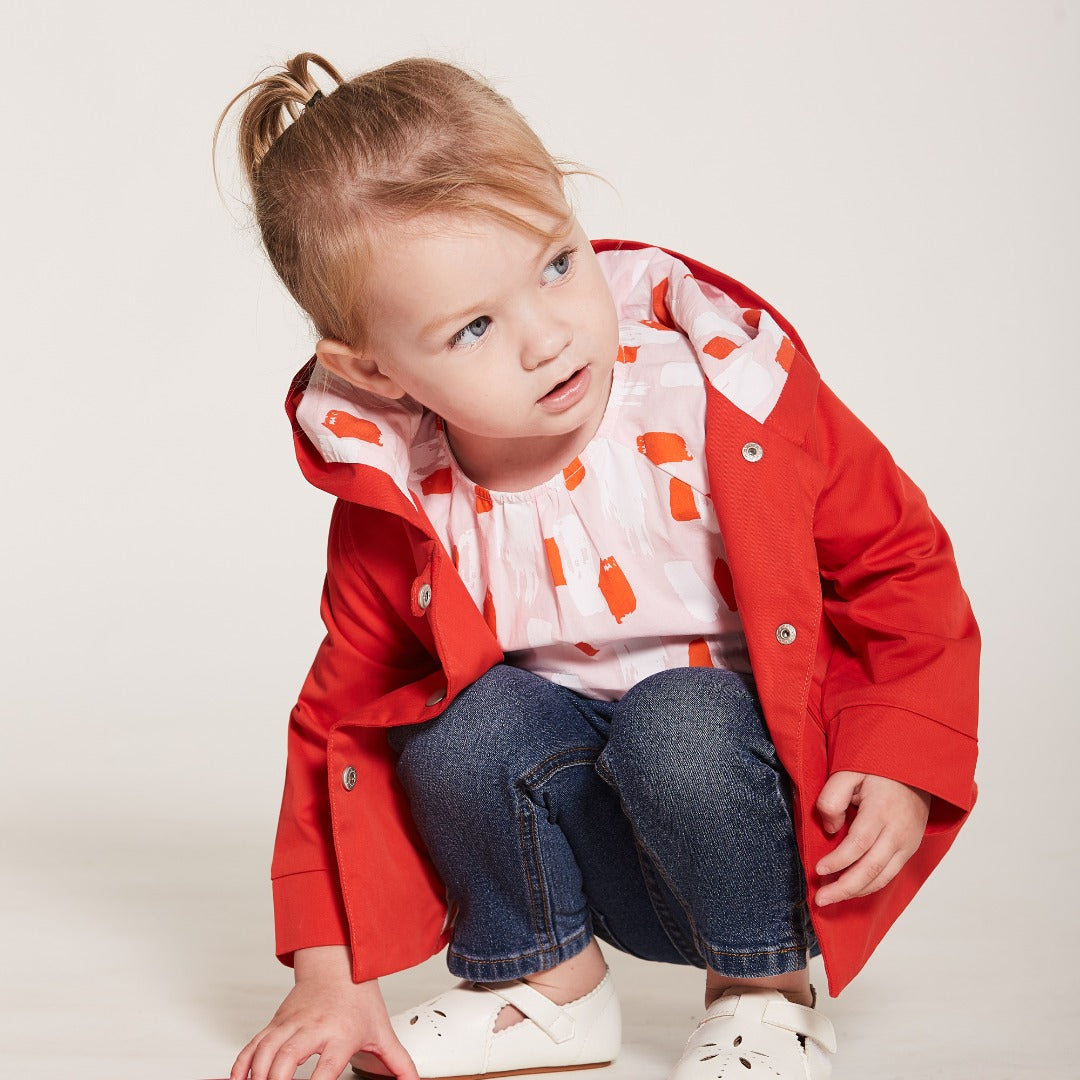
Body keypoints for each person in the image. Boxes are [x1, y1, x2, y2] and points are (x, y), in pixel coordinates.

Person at [219, 52, 979, 1080]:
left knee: (678, 715)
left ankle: (762, 995)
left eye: (557, 264)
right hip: (590, 839)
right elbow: (340, 716)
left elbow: (899, 563)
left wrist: (898, 754)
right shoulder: (411, 489)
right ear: (375, 369)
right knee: (454, 726)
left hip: (755, 814)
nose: (548, 338)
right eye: (476, 327)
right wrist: (329, 969)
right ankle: (544, 986)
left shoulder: (720, 392)